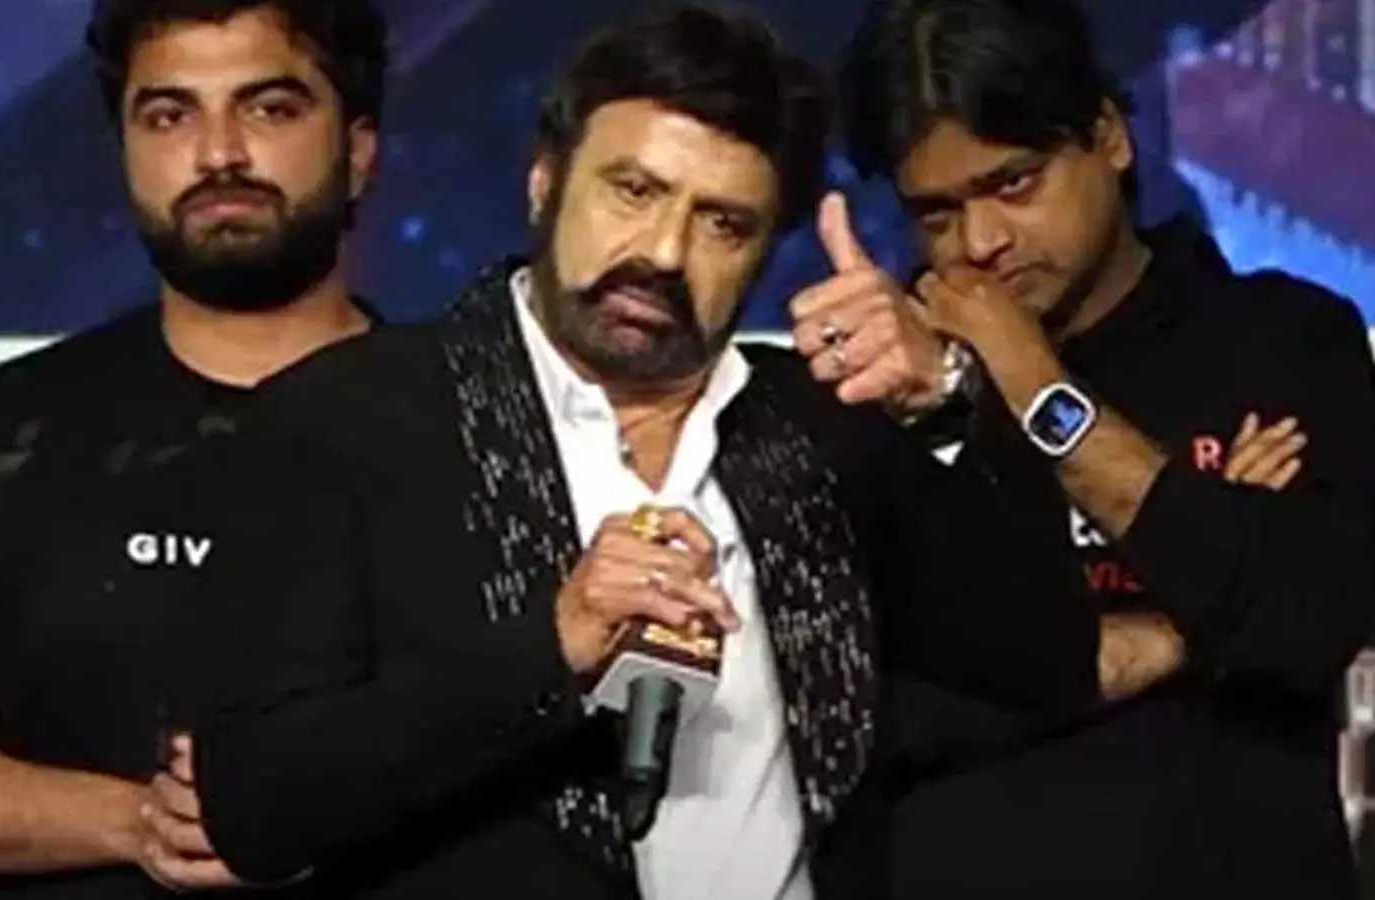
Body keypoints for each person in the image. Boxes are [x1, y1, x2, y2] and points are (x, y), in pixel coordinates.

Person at [131, 5, 1105, 899]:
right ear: (544, 181)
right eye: (634, 191)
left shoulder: (825, 424)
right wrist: (552, 652)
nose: (664, 253)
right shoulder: (344, 417)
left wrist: (947, 400)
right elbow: (257, 806)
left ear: (768, 253)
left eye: (722, 223)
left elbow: (1042, 665)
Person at [825, 0, 1375, 896]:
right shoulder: (881, 394)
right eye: (936, 213)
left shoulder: (1287, 339)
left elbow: (1309, 620)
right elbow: (870, 714)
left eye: (1014, 183)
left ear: (1109, 136)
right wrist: (1193, 615)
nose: (981, 243)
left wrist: (1035, 387)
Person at [0, 0, 387, 896]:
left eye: (270, 108)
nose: (219, 153)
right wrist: (141, 823)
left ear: (359, 149)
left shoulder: (472, 423)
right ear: (124, 153)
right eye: (169, 115)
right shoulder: (4, 428)